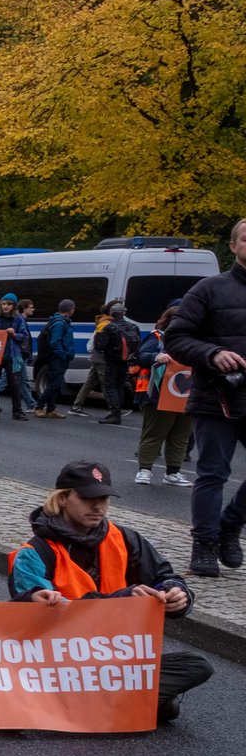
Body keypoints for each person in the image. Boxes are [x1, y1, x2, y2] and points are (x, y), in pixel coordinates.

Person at [8, 462, 214, 722]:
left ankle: (103, 703)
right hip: (57, 665)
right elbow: (35, 618)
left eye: (103, 498)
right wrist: (122, 600)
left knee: (197, 665)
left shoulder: (126, 539)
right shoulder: (34, 553)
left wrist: (177, 595)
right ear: (62, 499)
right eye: (87, 498)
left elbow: (165, 578)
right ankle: (129, 702)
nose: (98, 507)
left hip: (114, 663)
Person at [151, 220, 246, 575]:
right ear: (234, 246)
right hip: (217, 397)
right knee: (213, 474)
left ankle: (230, 525)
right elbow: (176, 338)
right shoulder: (209, 289)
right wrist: (212, 354)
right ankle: (204, 545)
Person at [133, 305, 192, 486]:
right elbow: (141, 355)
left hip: (186, 395)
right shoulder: (158, 337)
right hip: (159, 395)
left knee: (181, 436)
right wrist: (157, 357)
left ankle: (173, 472)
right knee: (154, 433)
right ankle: (144, 470)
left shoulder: (195, 340)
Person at [0, 293, 34, 420]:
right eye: (4, 304)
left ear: (14, 306)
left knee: (15, 384)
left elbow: (25, 336)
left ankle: (17, 411)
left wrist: (14, 334)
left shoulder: (18, 319)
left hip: (12, 355)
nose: (5, 306)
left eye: (9, 304)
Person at [90, 301, 136, 425]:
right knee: (120, 386)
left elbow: (100, 345)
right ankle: (118, 411)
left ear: (112, 314)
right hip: (126, 360)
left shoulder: (109, 327)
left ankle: (114, 413)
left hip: (112, 360)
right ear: (123, 313)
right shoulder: (133, 327)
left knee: (111, 386)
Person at [35, 298, 77, 418]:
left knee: (57, 384)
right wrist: (63, 355)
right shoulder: (59, 323)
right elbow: (55, 342)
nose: (74, 310)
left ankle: (51, 409)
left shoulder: (63, 321)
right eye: (73, 308)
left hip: (60, 357)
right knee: (55, 384)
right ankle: (39, 406)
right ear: (69, 310)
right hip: (57, 358)